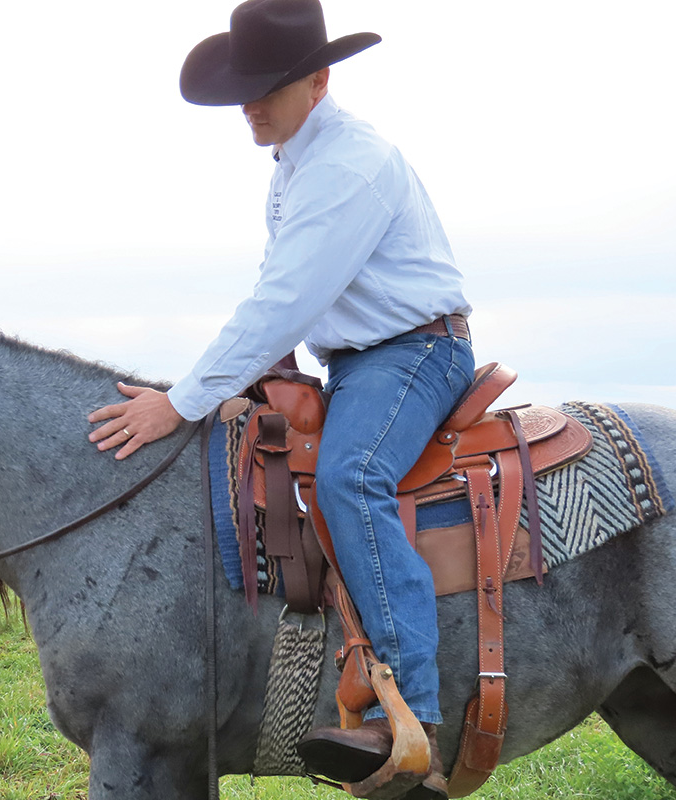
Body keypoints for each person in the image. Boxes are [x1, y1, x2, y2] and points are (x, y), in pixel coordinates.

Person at [87, 0, 472, 790]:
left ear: (320, 79)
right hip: (357, 360)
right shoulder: (298, 160)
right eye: (244, 90)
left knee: (348, 478)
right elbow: (284, 294)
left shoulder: (345, 168)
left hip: (414, 354)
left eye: (268, 88)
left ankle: (409, 722)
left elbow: (283, 301)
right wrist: (248, 384)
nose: (250, 107)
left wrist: (182, 400)